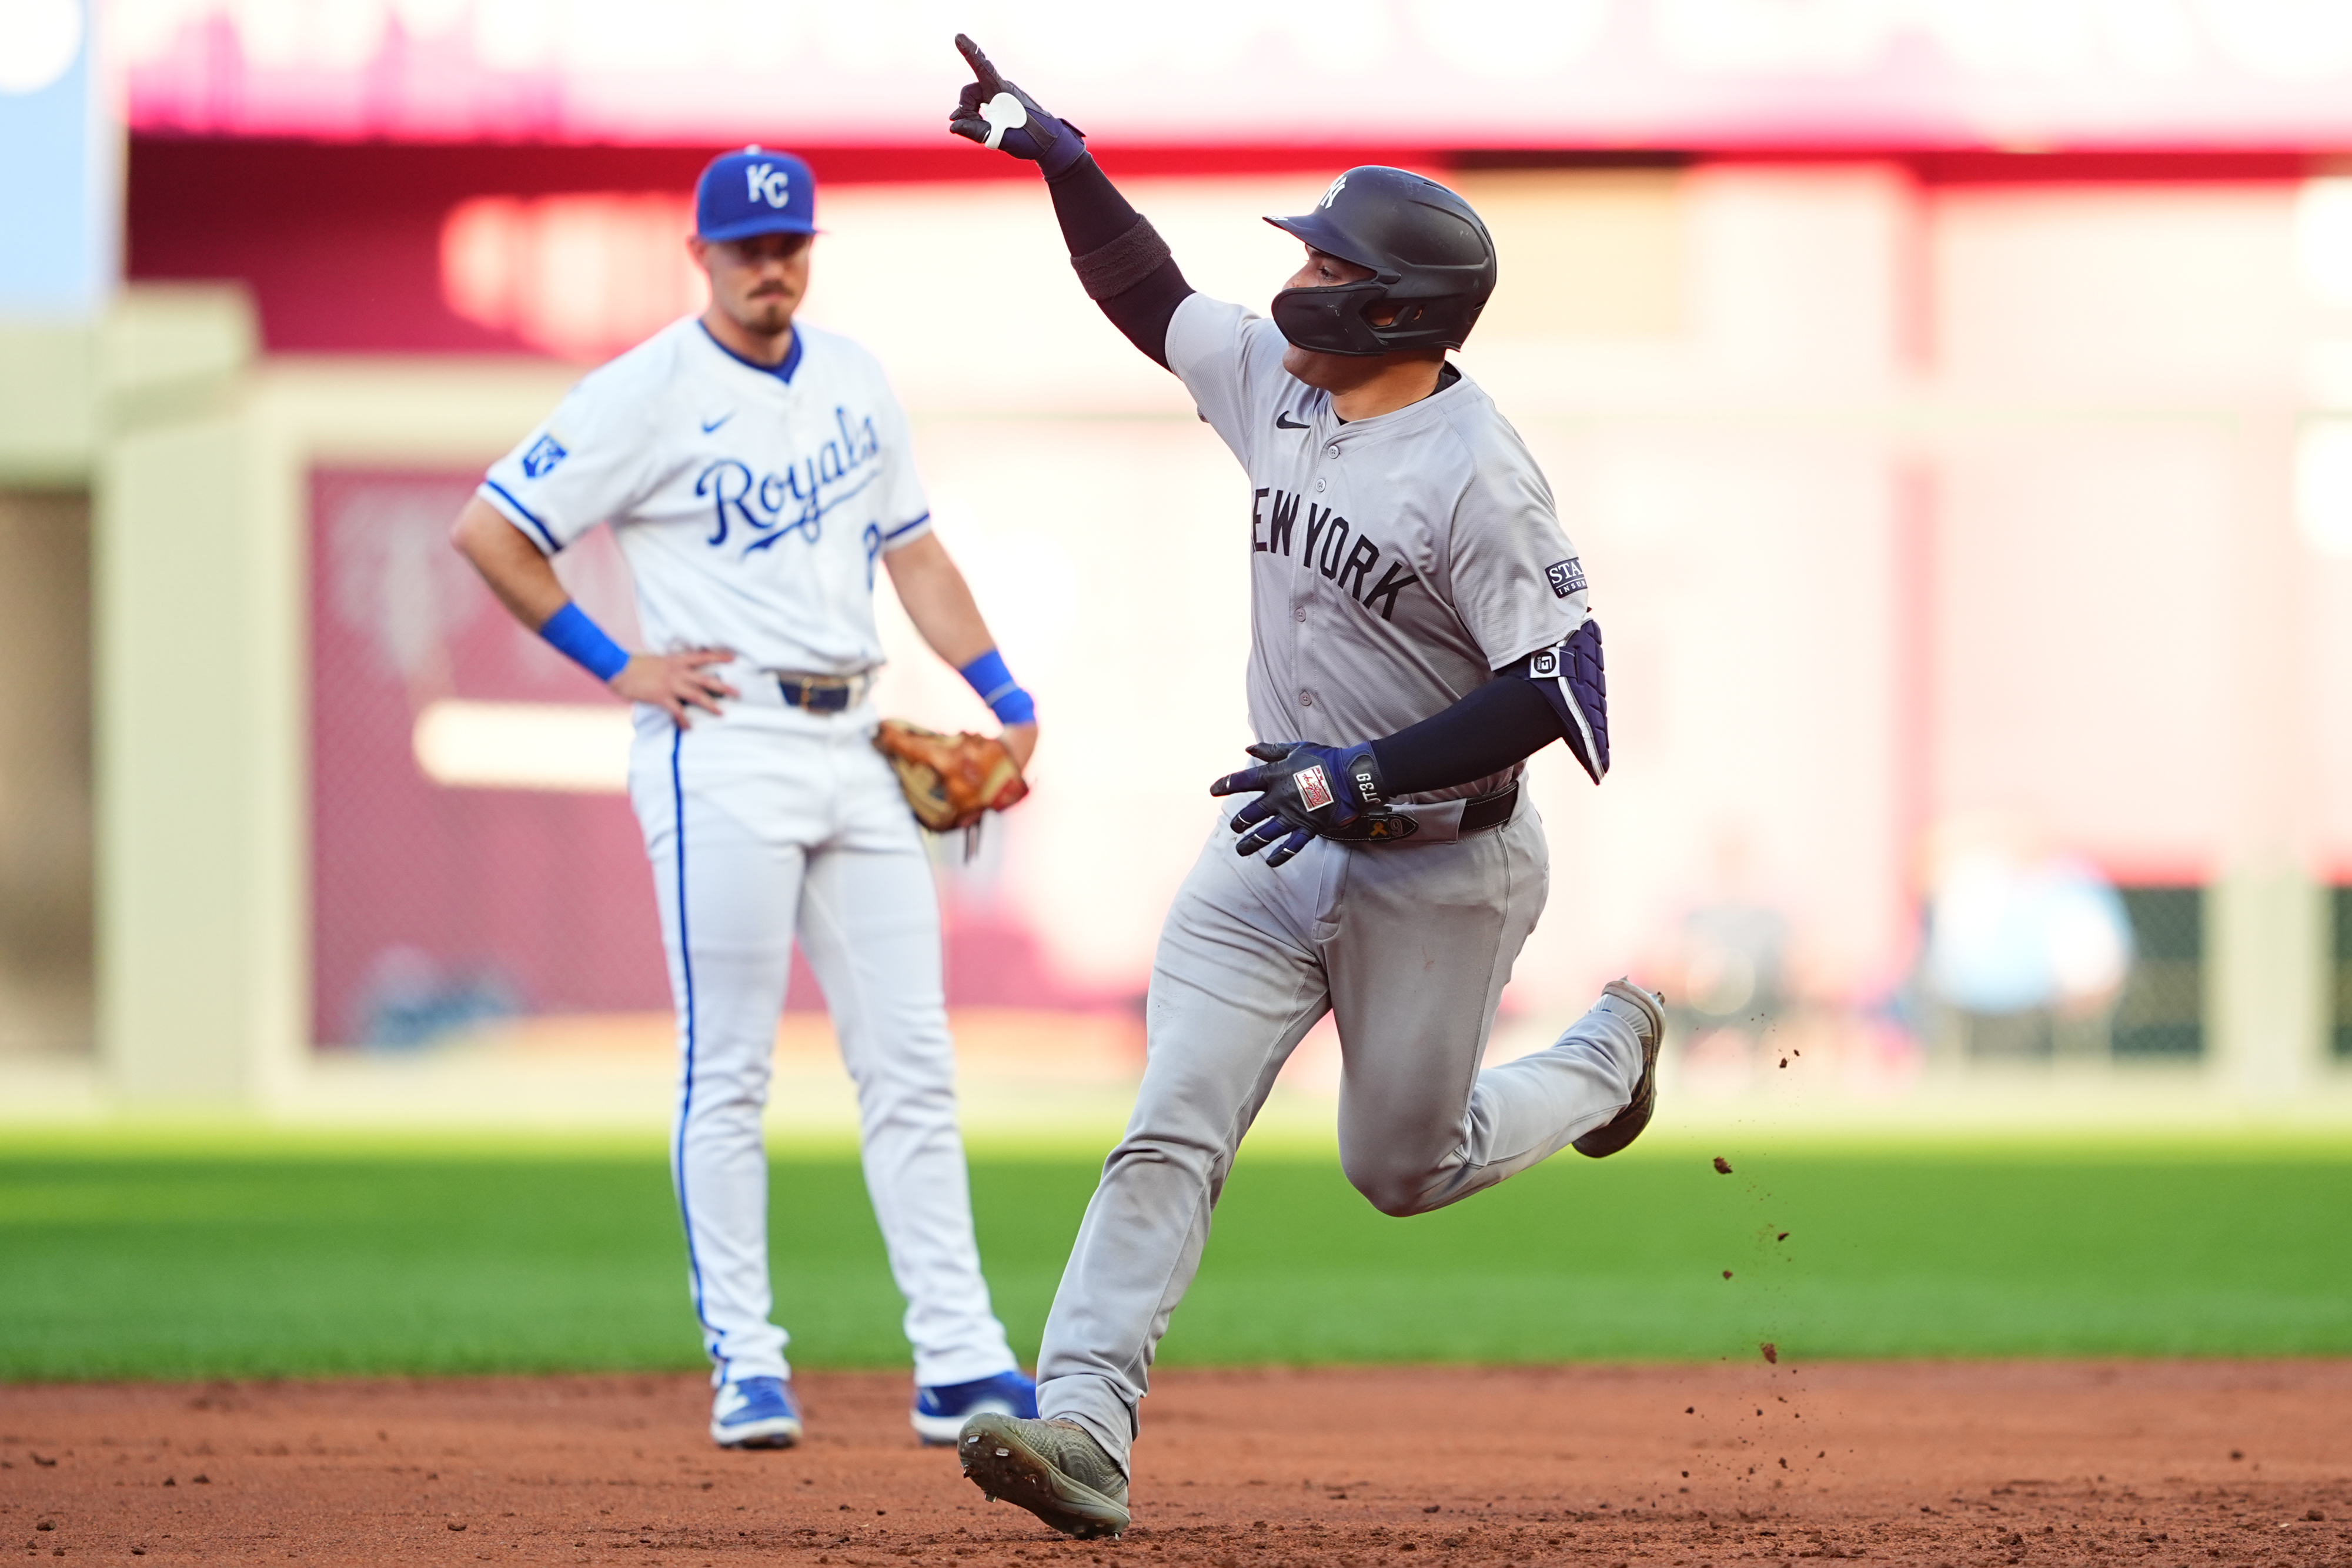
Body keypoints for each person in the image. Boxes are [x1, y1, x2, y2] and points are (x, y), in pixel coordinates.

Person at [939, 38, 1668, 1540]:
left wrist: (1366, 773)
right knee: (1169, 1126)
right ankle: (1082, 1420)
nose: (1297, 277)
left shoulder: (1476, 471)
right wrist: (1063, 162)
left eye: (1328, 260)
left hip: (1439, 866)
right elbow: (1149, 300)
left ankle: (1606, 1052)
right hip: (1270, 842)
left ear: (1394, 309)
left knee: (1402, 1166)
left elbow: (1562, 690)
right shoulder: (1286, 383)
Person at [449, 146, 1041, 1451]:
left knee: (913, 1065)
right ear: (703, 255)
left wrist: (1000, 690)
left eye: (790, 244)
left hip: (856, 737)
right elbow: (495, 528)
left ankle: (958, 1359)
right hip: (717, 745)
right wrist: (619, 666)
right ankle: (747, 1363)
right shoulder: (642, 391)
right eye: (747, 247)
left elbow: (916, 551)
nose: (771, 264)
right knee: (729, 1070)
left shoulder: (853, 377)